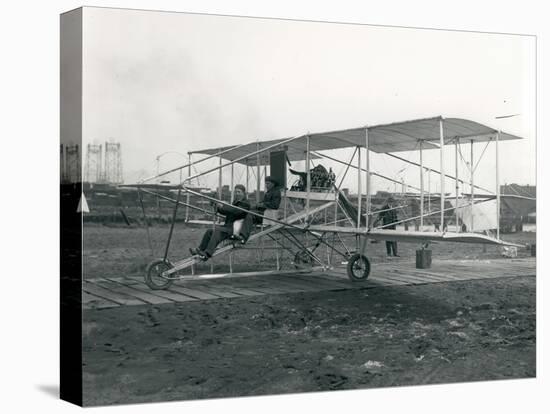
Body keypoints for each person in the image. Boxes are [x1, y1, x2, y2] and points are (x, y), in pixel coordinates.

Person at [189, 184, 250, 260]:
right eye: (235, 192)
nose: (236, 194)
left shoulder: (245, 204)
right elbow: (228, 211)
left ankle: (207, 254)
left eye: (239, 192)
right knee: (209, 232)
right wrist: (217, 206)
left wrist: (222, 206)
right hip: (228, 227)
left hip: (235, 229)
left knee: (218, 230)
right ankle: (200, 249)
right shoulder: (236, 202)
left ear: (244, 193)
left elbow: (235, 211)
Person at [237, 176, 282, 242]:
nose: (266, 185)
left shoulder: (276, 192)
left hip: (268, 215)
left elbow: (275, 205)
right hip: (263, 213)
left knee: (250, 215)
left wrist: (262, 205)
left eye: (268, 183)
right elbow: (264, 202)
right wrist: (257, 205)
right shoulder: (269, 191)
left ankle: (243, 236)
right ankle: (238, 233)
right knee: (245, 211)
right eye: (266, 183)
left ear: (273, 184)